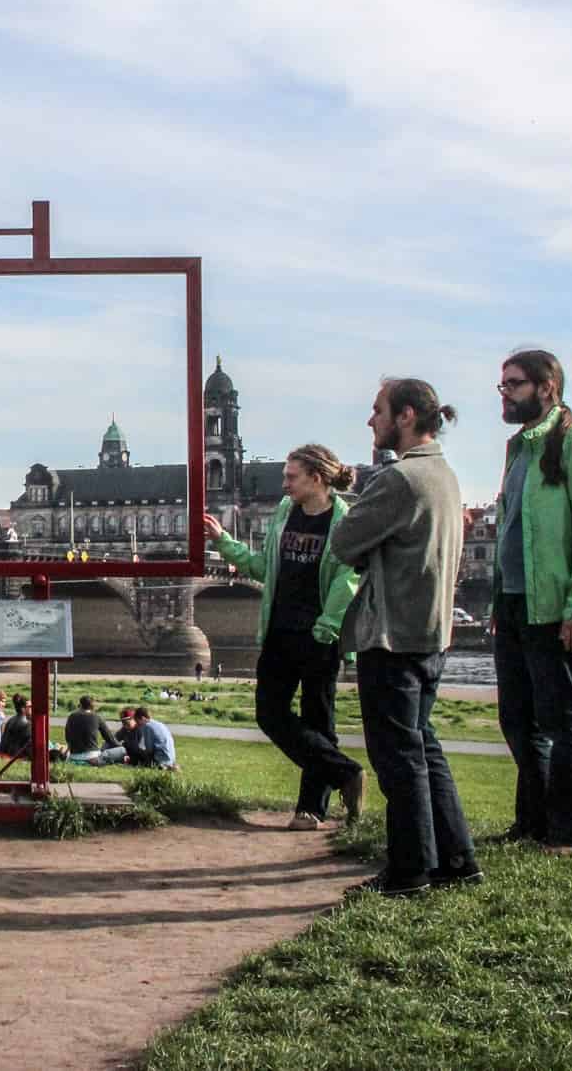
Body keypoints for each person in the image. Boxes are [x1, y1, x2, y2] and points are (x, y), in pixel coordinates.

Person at [329, 377, 478, 897]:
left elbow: (344, 543)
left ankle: (409, 869)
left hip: (392, 636)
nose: (371, 420)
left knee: (397, 758)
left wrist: (352, 497)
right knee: (424, 747)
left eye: (378, 411)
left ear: (407, 416)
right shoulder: (446, 475)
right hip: (433, 633)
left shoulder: (400, 480)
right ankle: (457, 856)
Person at [202, 443, 366, 832]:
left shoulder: (344, 522)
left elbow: (350, 579)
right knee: (269, 713)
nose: (285, 483)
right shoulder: (283, 513)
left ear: (317, 478)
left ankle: (311, 809)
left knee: (318, 719)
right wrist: (224, 541)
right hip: (278, 629)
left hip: (319, 634)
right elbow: (264, 568)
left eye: (291, 477)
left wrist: (328, 626)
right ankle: (346, 773)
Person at [490, 349, 572, 855]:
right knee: (518, 720)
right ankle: (535, 821)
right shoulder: (519, 449)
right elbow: (510, 531)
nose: (505, 394)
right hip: (516, 602)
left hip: (554, 604)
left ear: (546, 388)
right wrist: (498, 598)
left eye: (513, 385)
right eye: (503, 386)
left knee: (565, 720)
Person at [63, 695, 122, 761]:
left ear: (80, 705)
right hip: (93, 756)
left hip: (74, 756)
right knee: (120, 750)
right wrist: (120, 746)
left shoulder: (72, 716)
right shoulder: (96, 717)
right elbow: (108, 737)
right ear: (93, 706)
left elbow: (67, 737)